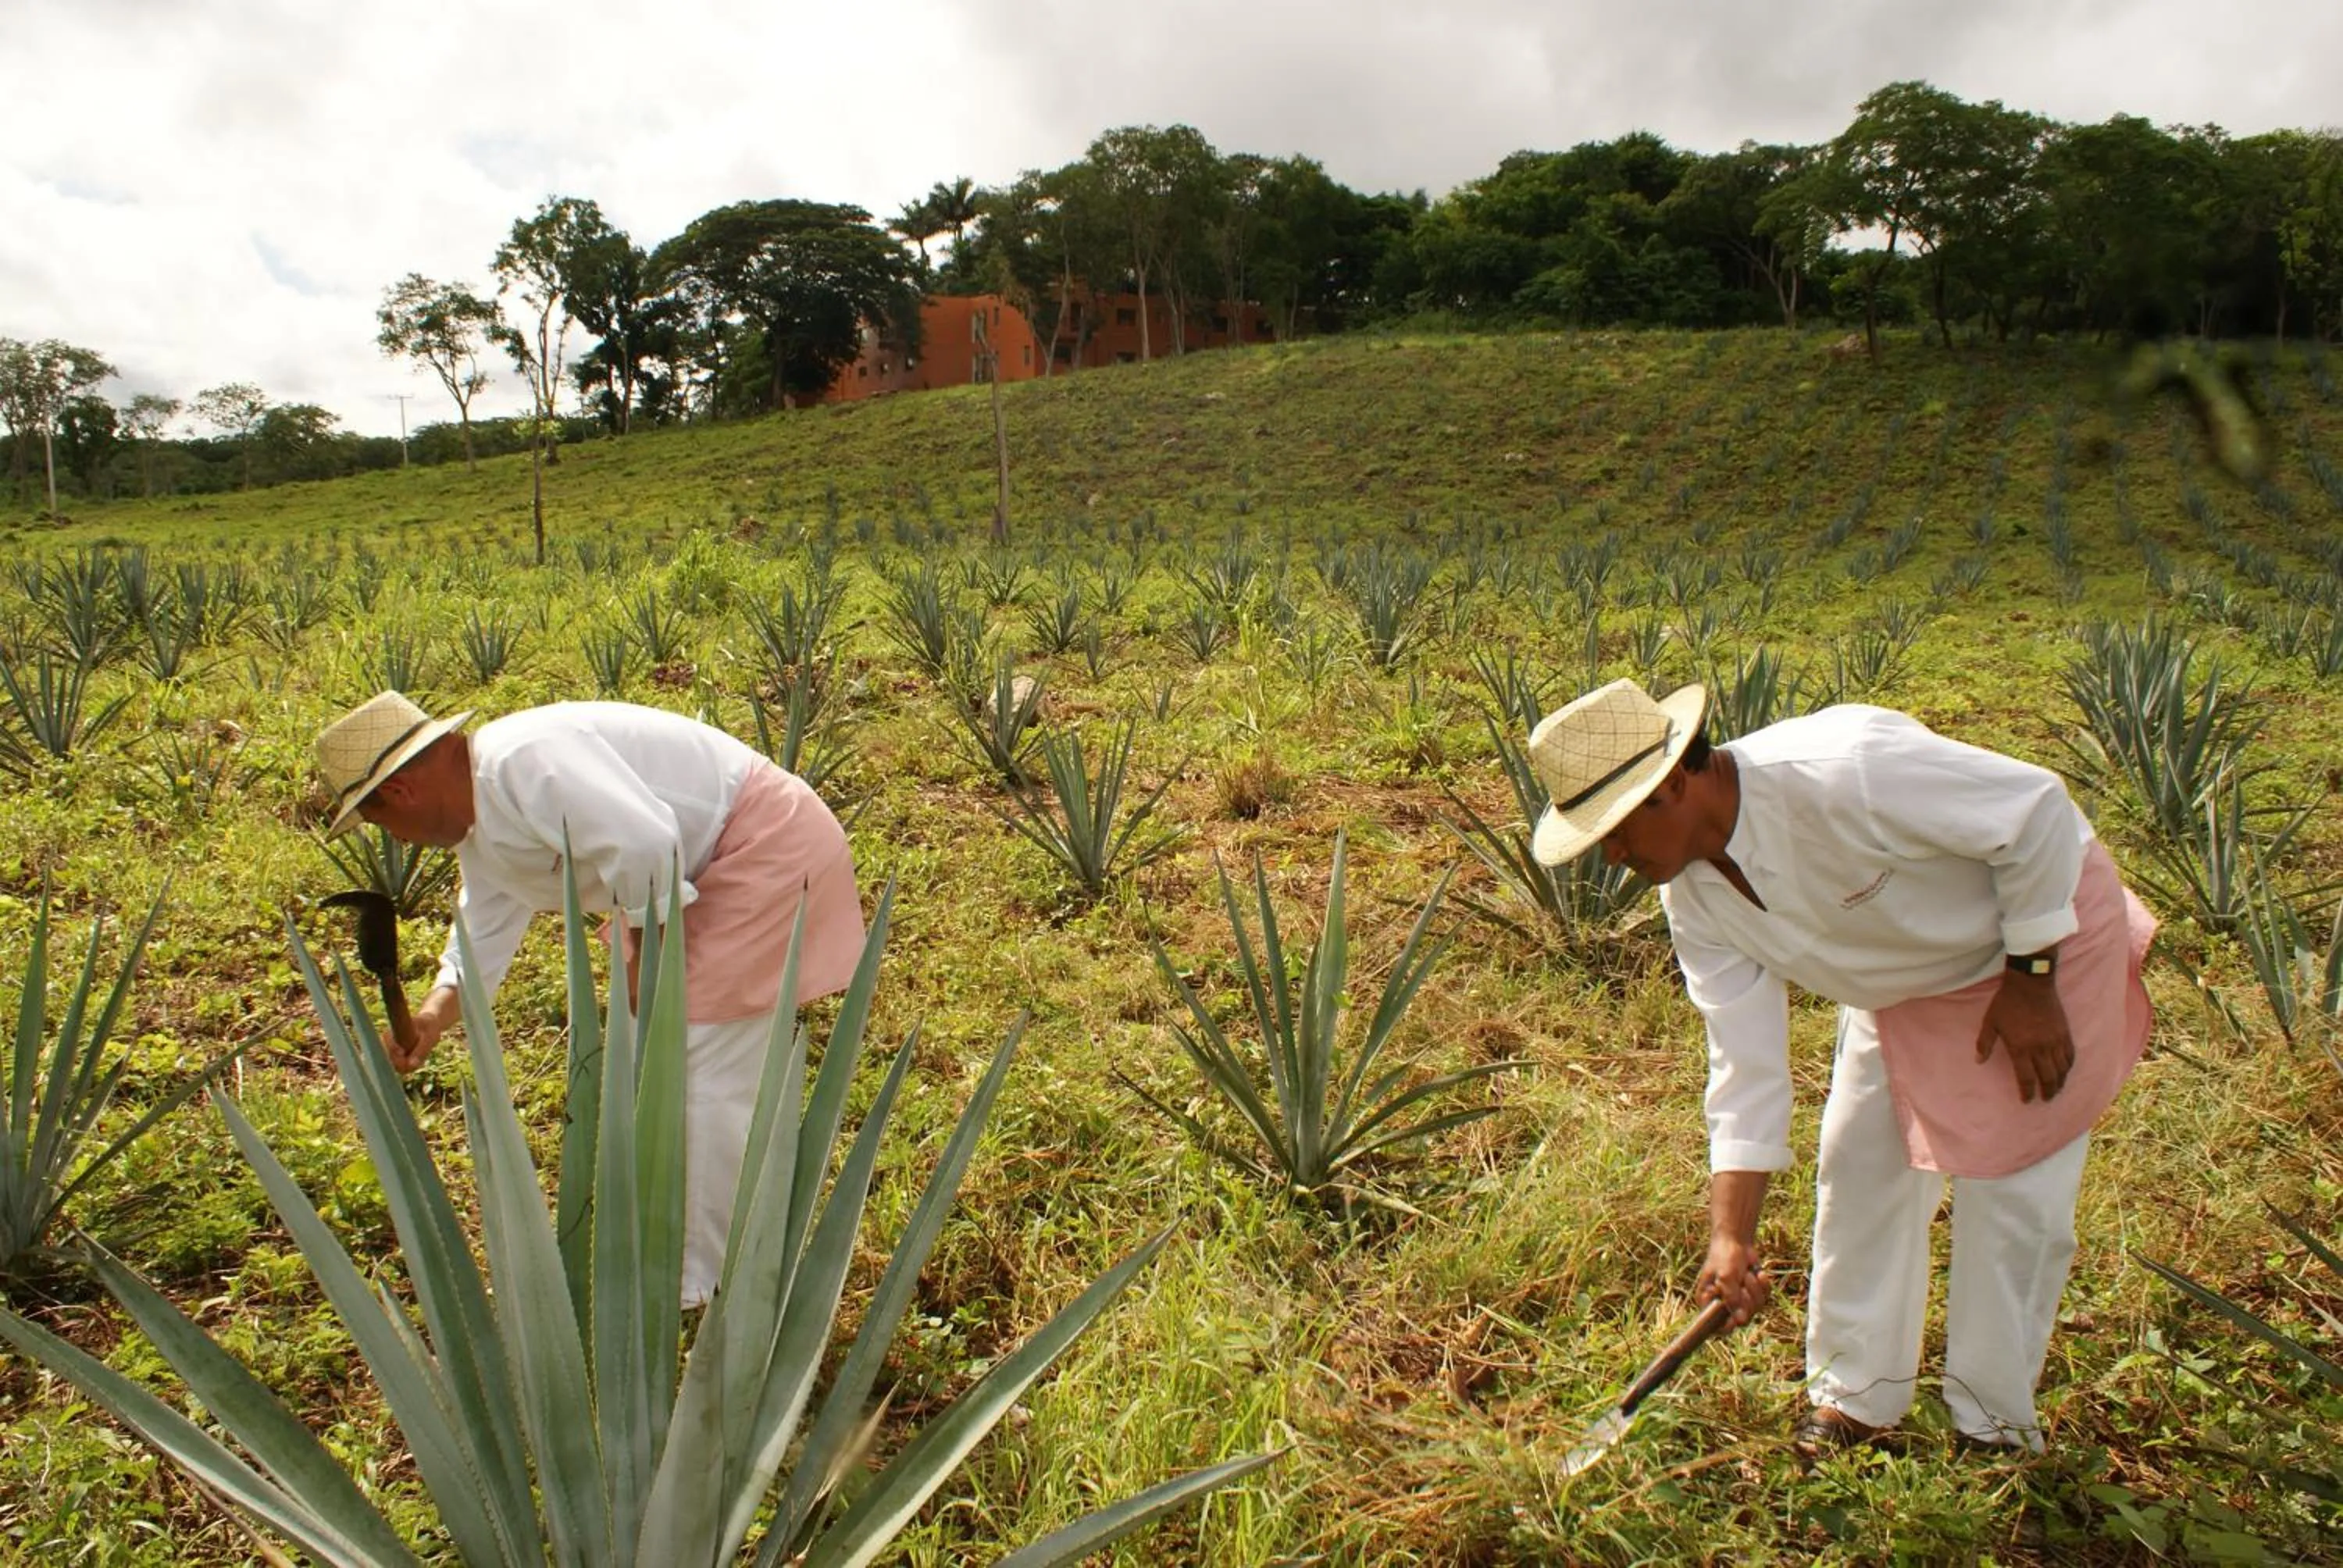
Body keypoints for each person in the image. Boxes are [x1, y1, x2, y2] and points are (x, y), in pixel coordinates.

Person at [1525, 678, 2155, 1459]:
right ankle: (1855, 1397)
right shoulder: (1693, 898)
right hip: (1907, 979)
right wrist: (1731, 1237)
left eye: (1615, 831)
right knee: (1859, 1164)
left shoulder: (1843, 768)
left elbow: (2036, 812)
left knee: (2012, 1189)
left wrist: (2031, 979)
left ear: (1674, 781)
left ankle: (1992, 1427)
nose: (1613, 857)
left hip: (2035, 935)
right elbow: (1745, 1066)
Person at [314, 691, 865, 1306]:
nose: (396, 837)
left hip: (758, 846)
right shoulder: (480, 813)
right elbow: (487, 917)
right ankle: (682, 1250)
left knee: (699, 1066)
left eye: (380, 821)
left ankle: (709, 1283)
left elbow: (647, 844)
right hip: (691, 879)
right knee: (657, 1068)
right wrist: (436, 1013)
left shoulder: (520, 763)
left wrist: (653, 963)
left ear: (399, 794)